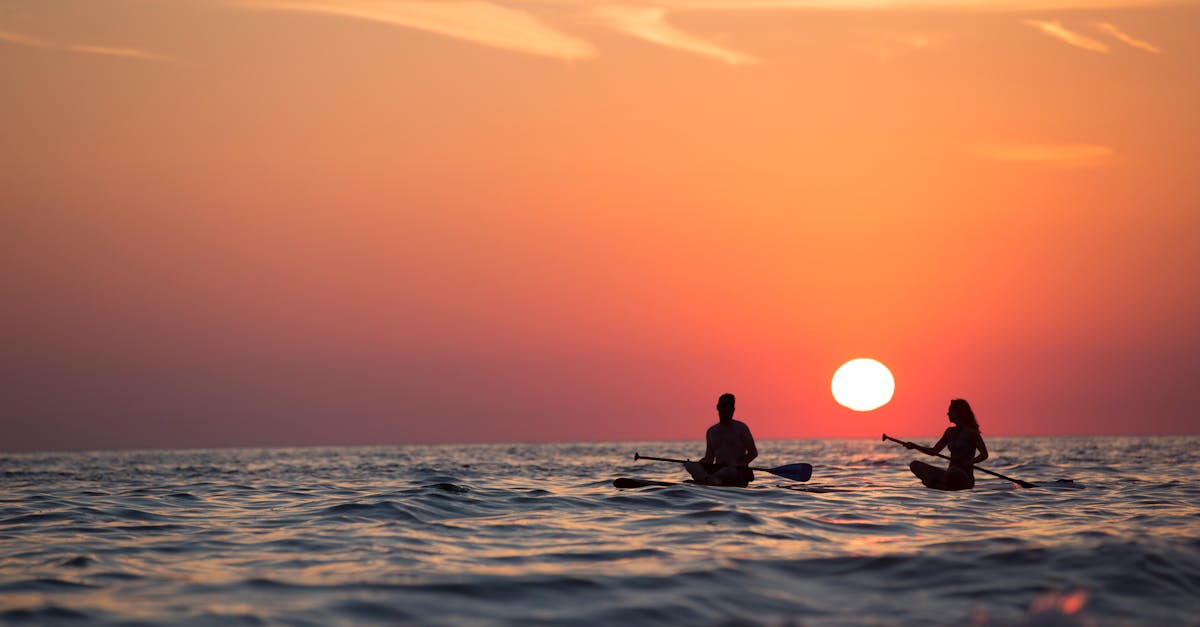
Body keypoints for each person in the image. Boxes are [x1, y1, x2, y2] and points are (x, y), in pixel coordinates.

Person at [906, 398, 989, 491]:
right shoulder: (949, 432)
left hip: (964, 477)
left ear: (958, 413)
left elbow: (984, 455)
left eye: (950, 411)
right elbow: (934, 451)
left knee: (954, 471)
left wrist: (969, 462)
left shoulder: (971, 432)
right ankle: (940, 483)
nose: (948, 414)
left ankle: (937, 483)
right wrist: (915, 446)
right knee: (915, 465)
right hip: (949, 473)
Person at [684, 393, 758, 486]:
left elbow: (753, 453)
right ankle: (710, 479)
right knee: (692, 466)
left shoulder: (741, 428)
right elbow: (709, 459)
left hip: (735, 471)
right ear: (718, 407)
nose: (727, 408)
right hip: (717, 469)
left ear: (734, 409)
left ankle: (708, 479)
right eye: (725, 405)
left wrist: (738, 463)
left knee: (728, 471)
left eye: (730, 406)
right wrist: (694, 464)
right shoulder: (711, 431)